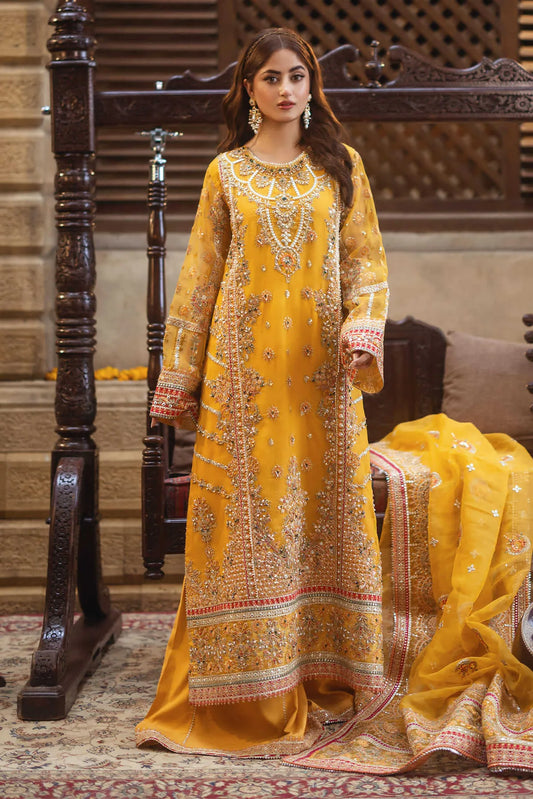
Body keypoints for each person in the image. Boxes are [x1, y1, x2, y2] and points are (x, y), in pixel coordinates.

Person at [136, 28, 533, 773]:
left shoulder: (340, 168)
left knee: (319, 514)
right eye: (270, 78)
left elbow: (367, 266)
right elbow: (197, 280)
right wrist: (179, 379)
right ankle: (244, 692)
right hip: (242, 382)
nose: (286, 90)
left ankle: (321, 671)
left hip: (319, 380)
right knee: (252, 525)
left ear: (311, 86)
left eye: (297, 77)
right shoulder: (225, 174)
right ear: (248, 91)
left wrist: (360, 333)